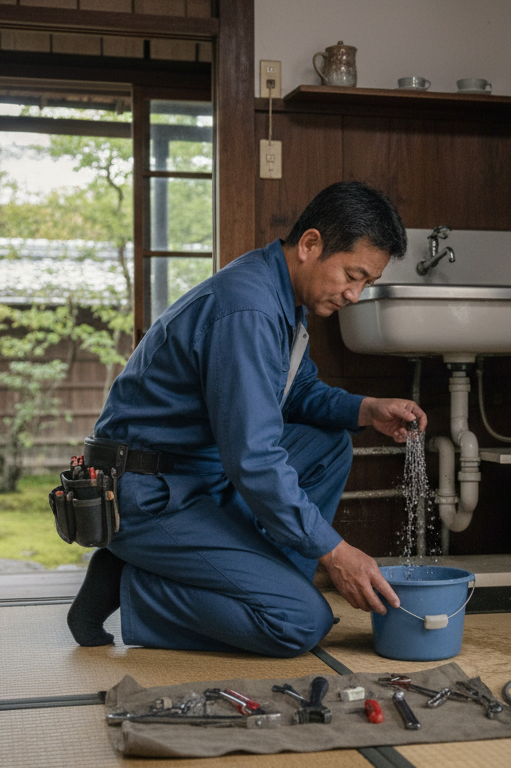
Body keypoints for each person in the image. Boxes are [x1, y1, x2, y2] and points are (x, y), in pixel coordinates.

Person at [67, 181, 427, 657]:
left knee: (328, 444)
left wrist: (366, 409)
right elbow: (254, 459)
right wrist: (336, 553)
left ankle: (255, 584)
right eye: (353, 275)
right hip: (148, 493)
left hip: (198, 475)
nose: (355, 295)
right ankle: (135, 584)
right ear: (311, 245)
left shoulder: (283, 299)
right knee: (299, 623)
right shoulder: (250, 309)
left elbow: (293, 390)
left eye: (366, 284)